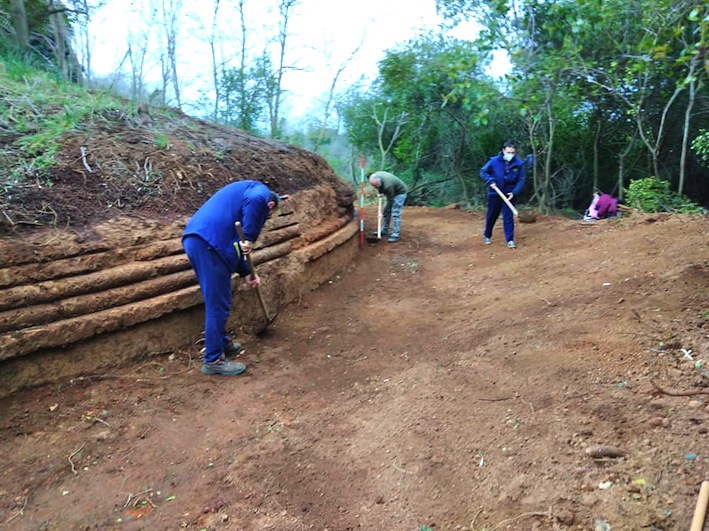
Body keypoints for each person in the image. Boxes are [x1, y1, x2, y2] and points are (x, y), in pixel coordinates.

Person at [182, 180, 280, 376]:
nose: (264, 220)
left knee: (217, 300)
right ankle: (213, 360)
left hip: (204, 241)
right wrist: (251, 237)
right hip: (208, 243)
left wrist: (246, 273)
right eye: (266, 217)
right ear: (270, 206)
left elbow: (234, 246)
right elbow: (257, 200)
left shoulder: (239, 203)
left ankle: (222, 342)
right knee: (218, 304)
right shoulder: (259, 192)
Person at [480, 141, 526, 249]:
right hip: (495, 192)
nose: (511, 154)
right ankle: (487, 235)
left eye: (513, 152)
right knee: (492, 215)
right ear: (503, 150)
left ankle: (510, 240)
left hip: (509, 194)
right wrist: (490, 181)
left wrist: (514, 192)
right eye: (509, 152)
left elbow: (521, 179)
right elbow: (483, 172)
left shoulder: (519, 164)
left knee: (508, 216)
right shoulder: (494, 161)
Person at [367, 170, 408, 243]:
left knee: (395, 213)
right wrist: (380, 192)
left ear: (380, 182)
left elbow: (390, 201)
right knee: (387, 212)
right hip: (391, 191)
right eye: (374, 187)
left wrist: (383, 212)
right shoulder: (375, 176)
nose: (375, 188)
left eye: (376, 186)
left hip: (399, 193)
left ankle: (395, 234)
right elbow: (379, 188)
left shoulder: (388, 186)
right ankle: (384, 230)